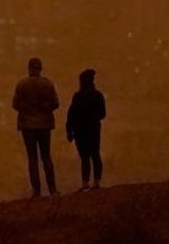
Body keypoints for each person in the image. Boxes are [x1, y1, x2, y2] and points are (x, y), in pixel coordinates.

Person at [12, 57, 60, 197]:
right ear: (40, 68)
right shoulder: (47, 84)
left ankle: (36, 190)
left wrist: (28, 109)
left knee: (32, 158)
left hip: (27, 125)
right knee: (46, 156)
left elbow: (15, 105)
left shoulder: (21, 84)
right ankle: (52, 189)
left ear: (29, 68)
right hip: (44, 124)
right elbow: (55, 103)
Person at [65, 69, 106, 191]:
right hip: (93, 129)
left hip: (79, 130)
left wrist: (69, 131)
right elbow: (103, 114)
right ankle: (97, 182)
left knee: (84, 157)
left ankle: (85, 183)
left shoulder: (77, 96)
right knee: (95, 154)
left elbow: (70, 115)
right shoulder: (98, 95)